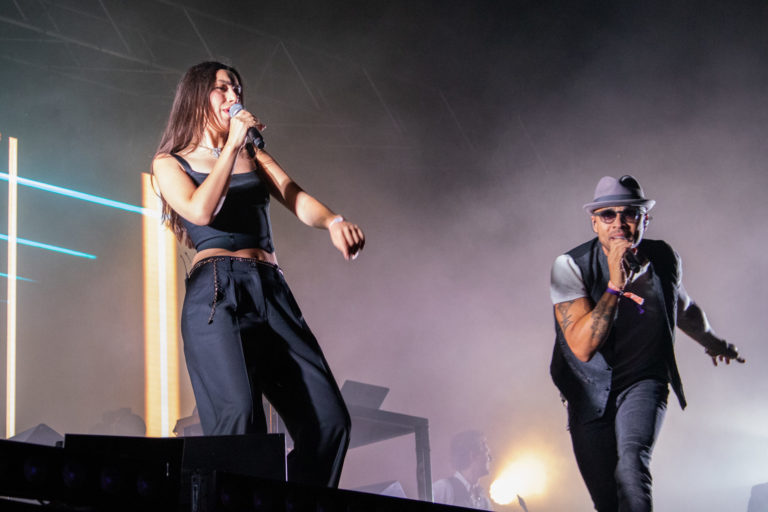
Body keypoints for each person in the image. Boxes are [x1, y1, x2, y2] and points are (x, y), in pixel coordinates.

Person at [151, 61, 365, 488]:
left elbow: (295, 196)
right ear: (196, 95)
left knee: (328, 422)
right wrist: (231, 146)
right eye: (222, 89)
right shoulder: (169, 163)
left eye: (237, 89)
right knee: (240, 421)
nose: (234, 97)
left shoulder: (253, 155)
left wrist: (333, 221)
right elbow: (201, 211)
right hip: (217, 293)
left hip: (270, 289)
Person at [549, 175, 744, 512]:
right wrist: (615, 285)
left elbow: (682, 308)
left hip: (643, 380)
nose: (619, 223)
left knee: (631, 465)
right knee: (608, 500)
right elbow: (582, 347)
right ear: (594, 222)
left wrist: (713, 342)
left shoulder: (663, 257)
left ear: (644, 220)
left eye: (630, 214)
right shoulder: (570, 266)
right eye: (608, 215)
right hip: (588, 392)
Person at [433, 430, 493, 510]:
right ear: (472, 455)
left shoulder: (484, 501)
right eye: (486, 452)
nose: (490, 459)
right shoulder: (443, 489)